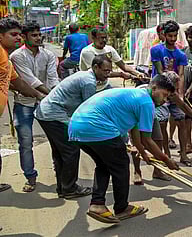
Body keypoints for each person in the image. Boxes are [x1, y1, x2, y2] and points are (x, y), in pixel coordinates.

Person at [68, 73, 180, 224]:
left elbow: (136, 135)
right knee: (120, 165)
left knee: (104, 164)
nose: (165, 100)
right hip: (97, 127)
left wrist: (144, 155)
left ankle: (97, 204)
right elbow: (147, 140)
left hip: (76, 127)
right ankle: (122, 208)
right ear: (154, 88)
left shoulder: (136, 96)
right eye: (164, 95)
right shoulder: (146, 102)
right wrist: (167, 160)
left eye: (168, 98)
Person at [35, 55, 112, 199]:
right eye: (105, 71)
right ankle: (69, 188)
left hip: (46, 113)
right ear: (95, 67)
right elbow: (89, 109)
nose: (107, 74)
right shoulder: (88, 81)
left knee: (60, 152)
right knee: (71, 149)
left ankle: (63, 187)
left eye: (109, 71)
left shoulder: (85, 76)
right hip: (53, 115)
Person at [10, 21, 59, 192]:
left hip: (46, 102)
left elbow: (53, 78)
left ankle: (59, 171)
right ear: (24, 37)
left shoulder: (48, 55)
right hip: (24, 102)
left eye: (39, 35)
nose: (39, 38)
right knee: (25, 141)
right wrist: (52, 95)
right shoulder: (16, 56)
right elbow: (31, 80)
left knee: (57, 139)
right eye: (34, 35)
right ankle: (30, 176)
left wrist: (56, 94)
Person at [0, 18, 45, 195]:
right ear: (1, 36)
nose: (17, 38)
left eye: (19, 34)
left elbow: (19, 84)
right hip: (23, 106)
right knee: (25, 141)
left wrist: (39, 96)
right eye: (13, 34)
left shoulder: (7, 60)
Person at [150, 20, 192, 166]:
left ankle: (183, 155)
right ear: (164, 35)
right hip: (160, 91)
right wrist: (168, 91)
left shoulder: (180, 54)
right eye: (170, 35)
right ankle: (167, 156)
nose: (173, 39)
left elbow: (180, 75)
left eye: (175, 35)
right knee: (162, 124)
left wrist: (180, 94)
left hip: (174, 91)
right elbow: (161, 72)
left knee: (181, 120)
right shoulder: (156, 50)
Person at [79, 27, 145, 81]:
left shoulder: (109, 49)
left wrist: (138, 74)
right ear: (93, 38)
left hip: (103, 85)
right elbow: (98, 73)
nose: (104, 40)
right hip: (88, 83)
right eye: (101, 38)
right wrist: (121, 74)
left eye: (105, 38)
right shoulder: (87, 52)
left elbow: (123, 65)